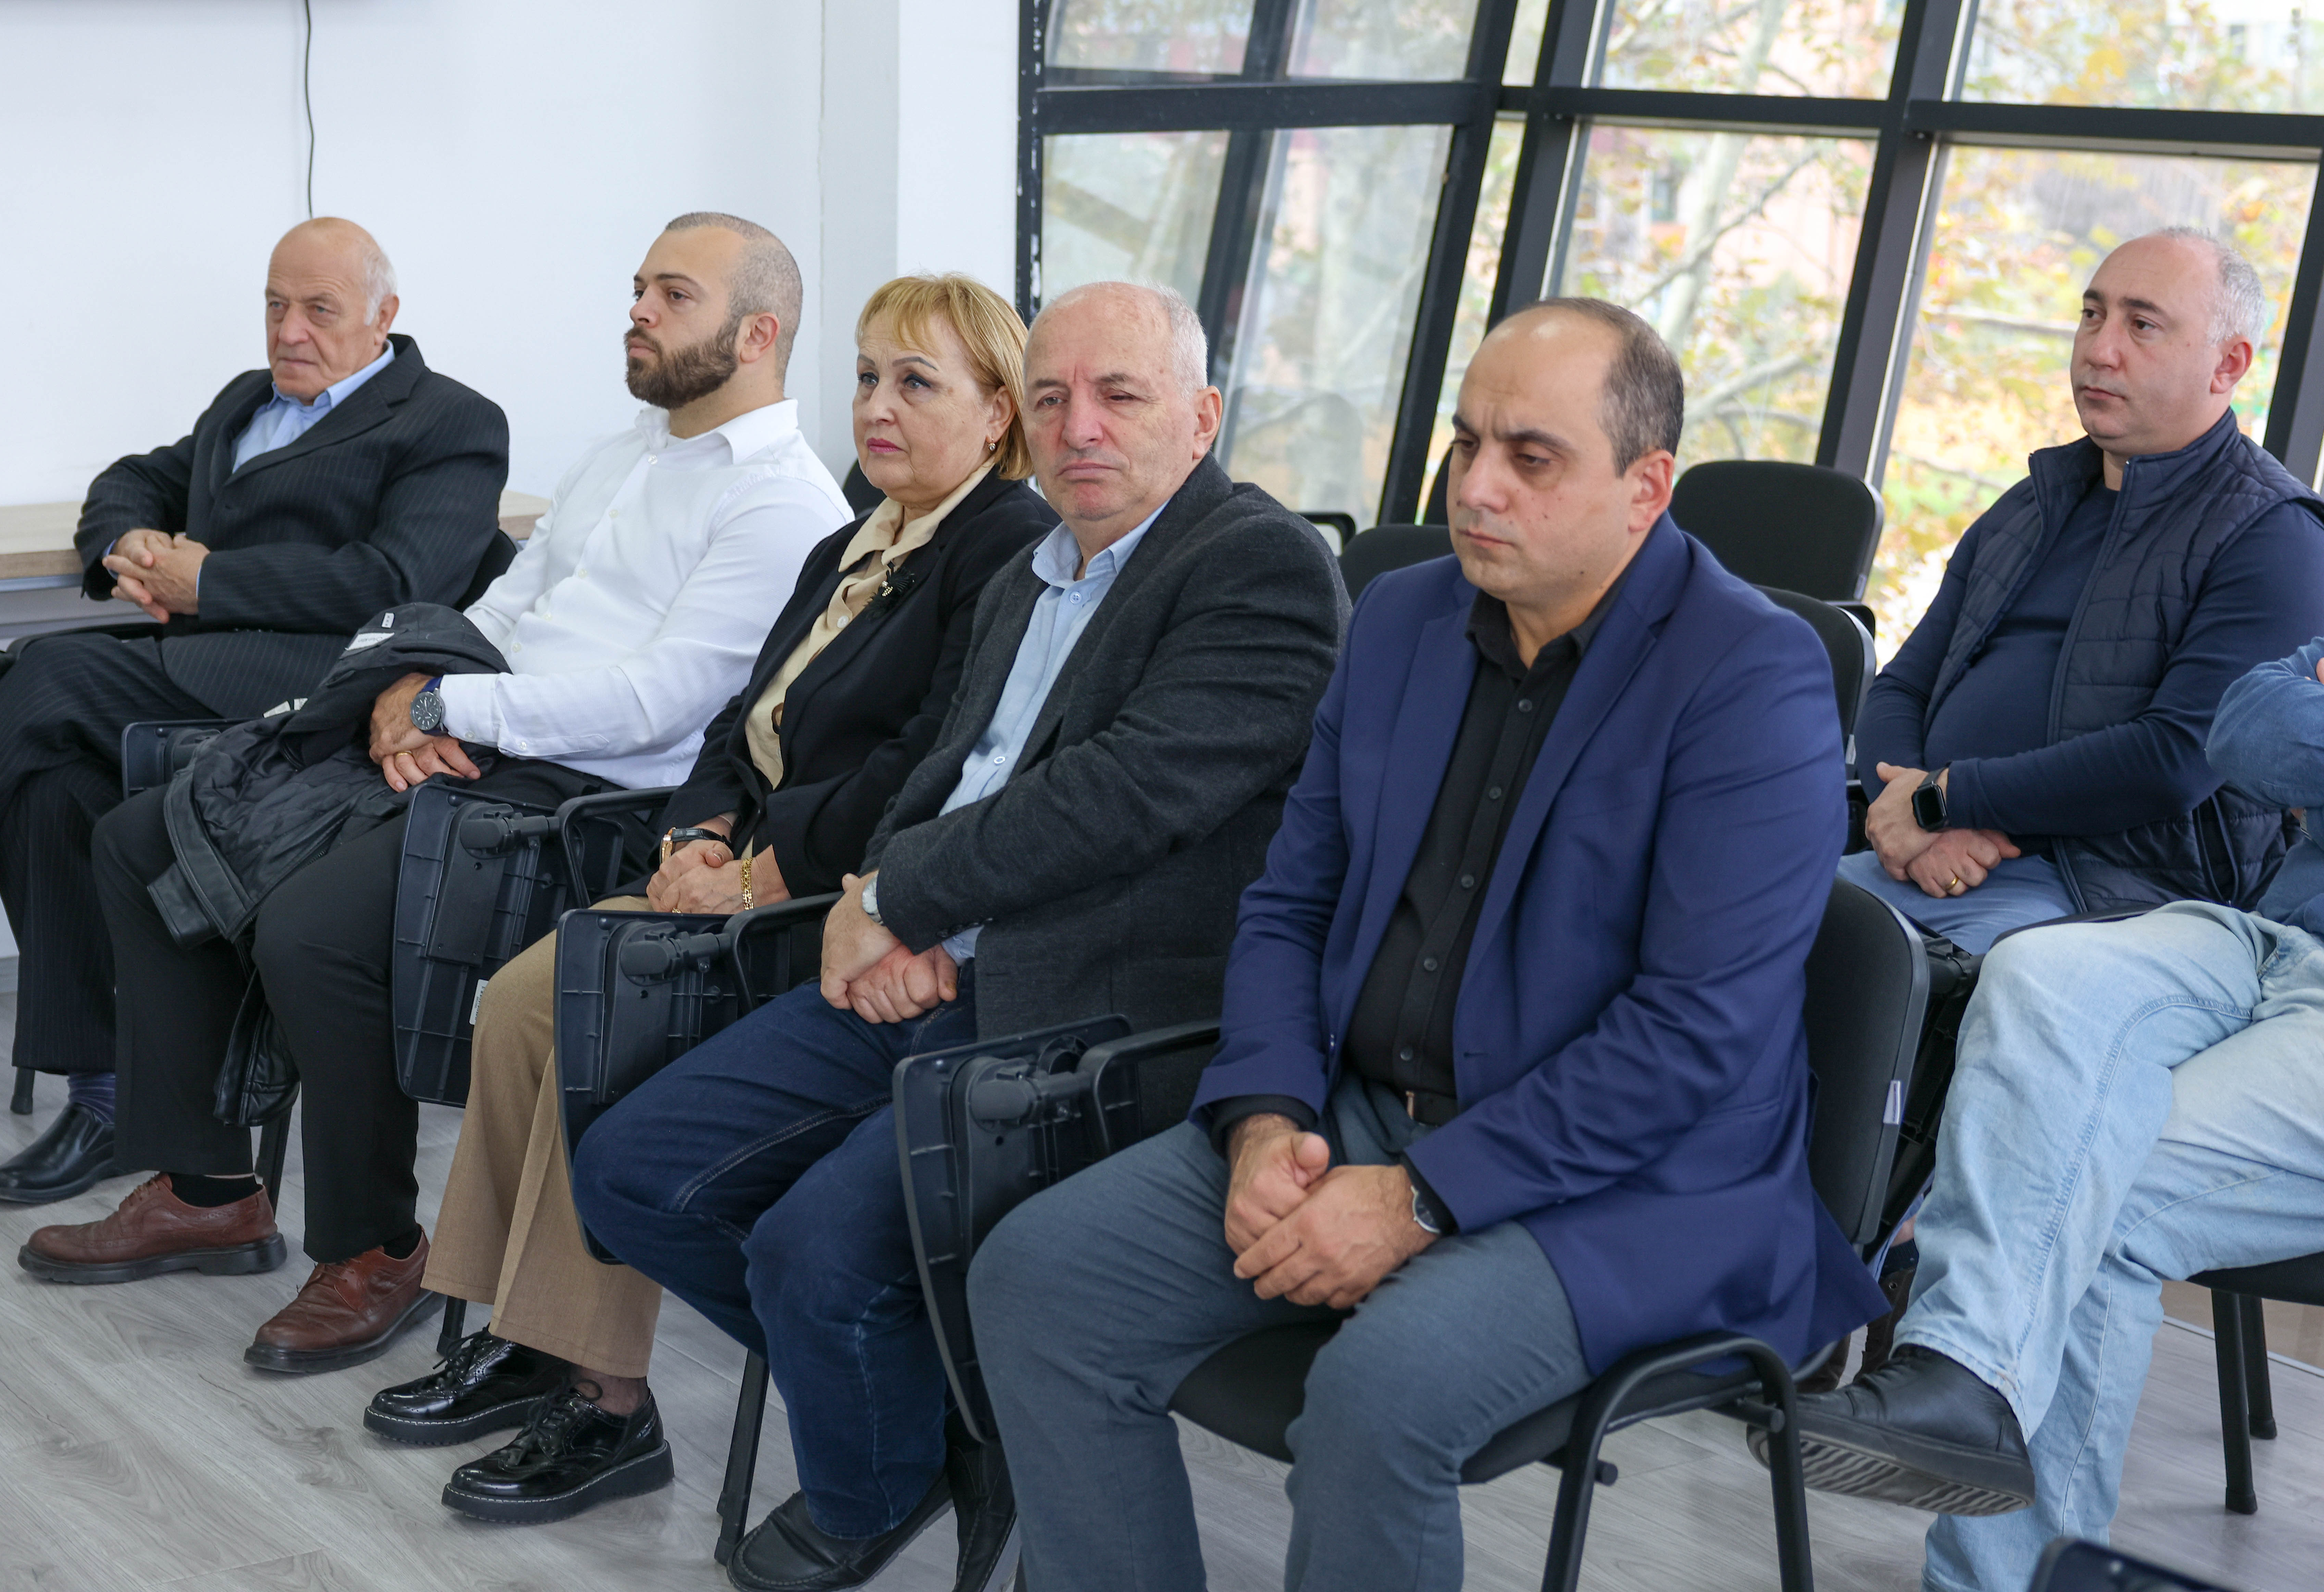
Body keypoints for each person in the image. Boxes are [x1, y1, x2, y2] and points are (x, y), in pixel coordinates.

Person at [965, 300, 1888, 1592]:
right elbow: (1290, 903)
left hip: (1637, 1188)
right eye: (1466, 444)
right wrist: (1265, 1119)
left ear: (1646, 488)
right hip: (1358, 1114)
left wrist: (1419, 1199)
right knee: (1038, 1280)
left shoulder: (1754, 676)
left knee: (1378, 1398)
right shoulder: (1400, 619)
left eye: (1531, 457)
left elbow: (1694, 1039)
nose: (1477, 487)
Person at [567, 281, 1347, 1592]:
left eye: (1119, 396)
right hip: (926, 966)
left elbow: (1124, 794)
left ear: (1203, 416)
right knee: (633, 1173)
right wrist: (889, 900)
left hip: (1091, 1008)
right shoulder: (1033, 570)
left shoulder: (1257, 567)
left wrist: (898, 902)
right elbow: (937, 770)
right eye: (1051, 398)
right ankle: (937, 1427)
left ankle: (870, 1485)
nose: (1078, 427)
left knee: (813, 1255)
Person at [14, 213, 848, 1378]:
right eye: (639, 287)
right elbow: (501, 610)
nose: (638, 310)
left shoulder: (783, 504)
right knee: (143, 834)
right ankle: (207, 1189)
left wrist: (458, 708)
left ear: (757, 335)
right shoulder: (624, 455)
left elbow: (661, 705)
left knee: (311, 931)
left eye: (674, 295)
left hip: (582, 800)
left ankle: (375, 1248)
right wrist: (413, 681)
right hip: (477, 732)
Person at [359, 273, 1058, 1527]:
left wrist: (758, 872)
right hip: (740, 873)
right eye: (867, 377)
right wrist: (699, 830)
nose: (877, 407)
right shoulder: (858, 536)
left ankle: (608, 1399)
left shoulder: (1001, 545)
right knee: (524, 1000)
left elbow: (924, 762)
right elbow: (744, 721)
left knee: (585, 997)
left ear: (999, 414)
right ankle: (527, 1333)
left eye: (917, 383)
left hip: (833, 904)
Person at [0, 218, 510, 1206]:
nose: (290, 331)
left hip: (314, 689)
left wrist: (210, 582)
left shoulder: (450, 422)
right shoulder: (248, 400)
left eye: (320, 310)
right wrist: (127, 542)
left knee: (47, 674)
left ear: (384, 314)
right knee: (49, 789)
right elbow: (135, 478)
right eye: (276, 305)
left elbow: (399, 580)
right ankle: (105, 1098)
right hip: (200, 666)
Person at [1778, 638, 2324, 1592]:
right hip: (2271, 938)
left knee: (2090, 1182)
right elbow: (2247, 729)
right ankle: (1962, 1376)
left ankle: (1986, 1540)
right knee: (2039, 968)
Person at [1845, 226, 2324, 957]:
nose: (2100, 350)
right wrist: (1905, 812)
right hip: (1923, 854)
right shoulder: (2032, 502)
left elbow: (2173, 760)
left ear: (2228, 365)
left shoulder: (2275, 534)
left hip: (2108, 897)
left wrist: (1942, 799)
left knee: (1830, 954)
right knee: (1727, 907)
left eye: (2142, 325)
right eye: (2092, 315)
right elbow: (1903, 685)